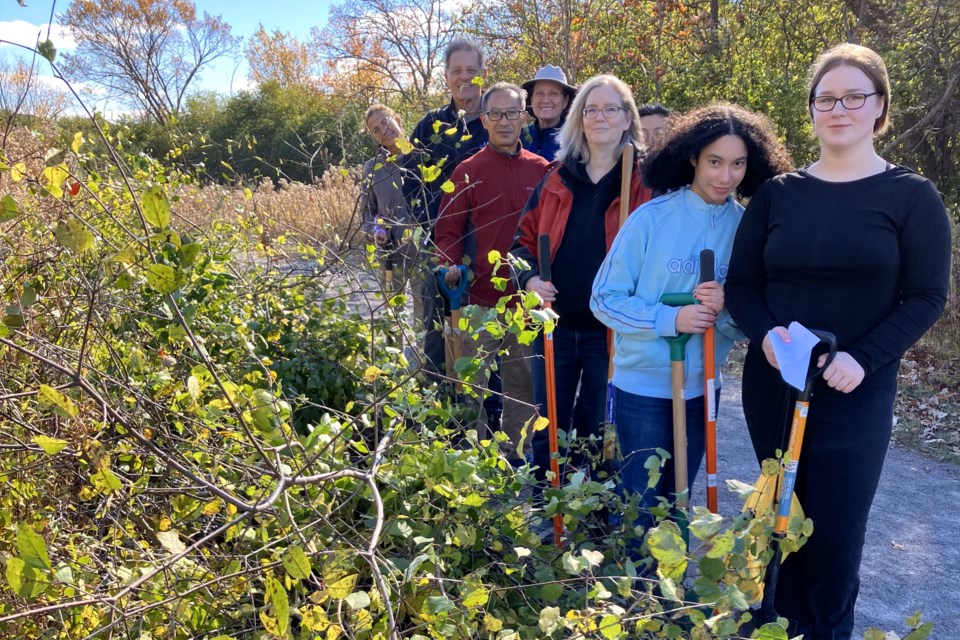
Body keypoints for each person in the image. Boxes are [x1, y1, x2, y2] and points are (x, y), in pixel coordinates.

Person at [725, 43, 951, 640]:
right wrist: (765, 336)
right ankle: (774, 627)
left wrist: (864, 357)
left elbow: (926, 297)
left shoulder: (912, 198)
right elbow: (743, 285)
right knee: (779, 520)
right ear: (812, 110)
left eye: (854, 97)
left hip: (856, 389)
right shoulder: (779, 194)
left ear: (880, 107)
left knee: (835, 532)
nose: (839, 108)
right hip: (776, 380)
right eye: (826, 98)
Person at [590, 103, 793, 538]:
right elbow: (603, 299)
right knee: (641, 501)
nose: (726, 177)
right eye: (715, 162)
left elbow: (750, 320)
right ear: (693, 159)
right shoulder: (650, 218)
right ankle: (632, 593)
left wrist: (726, 308)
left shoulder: (747, 227)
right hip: (643, 383)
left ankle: (672, 591)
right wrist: (671, 318)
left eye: (738, 164)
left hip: (703, 384)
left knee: (681, 499)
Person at [511, 74, 653, 488]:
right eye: (591, 109)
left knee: (602, 429)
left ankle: (596, 521)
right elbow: (519, 245)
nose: (600, 117)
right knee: (548, 424)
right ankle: (547, 510)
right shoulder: (556, 178)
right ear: (579, 119)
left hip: (610, 332)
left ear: (628, 118)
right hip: (555, 325)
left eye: (611, 109)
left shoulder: (645, 184)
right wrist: (531, 280)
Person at [435, 83, 551, 464]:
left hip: (525, 303)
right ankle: (474, 460)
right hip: (477, 300)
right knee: (472, 386)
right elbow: (447, 231)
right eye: (496, 114)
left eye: (512, 113)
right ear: (483, 119)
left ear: (524, 117)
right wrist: (449, 264)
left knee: (522, 386)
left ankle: (515, 456)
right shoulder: (466, 171)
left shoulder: (542, 170)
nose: (505, 121)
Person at [410, 39, 491, 377]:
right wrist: (435, 228)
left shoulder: (496, 122)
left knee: (483, 336)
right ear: (445, 76)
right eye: (457, 70)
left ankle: (479, 412)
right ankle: (436, 408)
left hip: (487, 249)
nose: (464, 77)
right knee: (434, 331)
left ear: (482, 75)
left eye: (471, 70)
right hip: (436, 246)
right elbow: (411, 184)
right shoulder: (430, 126)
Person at [359, 105, 430, 347]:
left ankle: (424, 372)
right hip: (389, 252)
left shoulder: (422, 157)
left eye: (385, 122)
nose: (383, 131)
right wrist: (374, 232)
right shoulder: (372, 168)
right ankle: (395, 366)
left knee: (424, 311)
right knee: (392, 311)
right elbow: (366, 213)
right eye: (375, 130)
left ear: (398, 119)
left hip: (422, 251)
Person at [521, 65, 577, 161]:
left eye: (553, 94)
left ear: (565, 101)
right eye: (539, 93)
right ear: (531, 99)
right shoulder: (520, 137)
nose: (546, 100)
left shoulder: (575, 141)